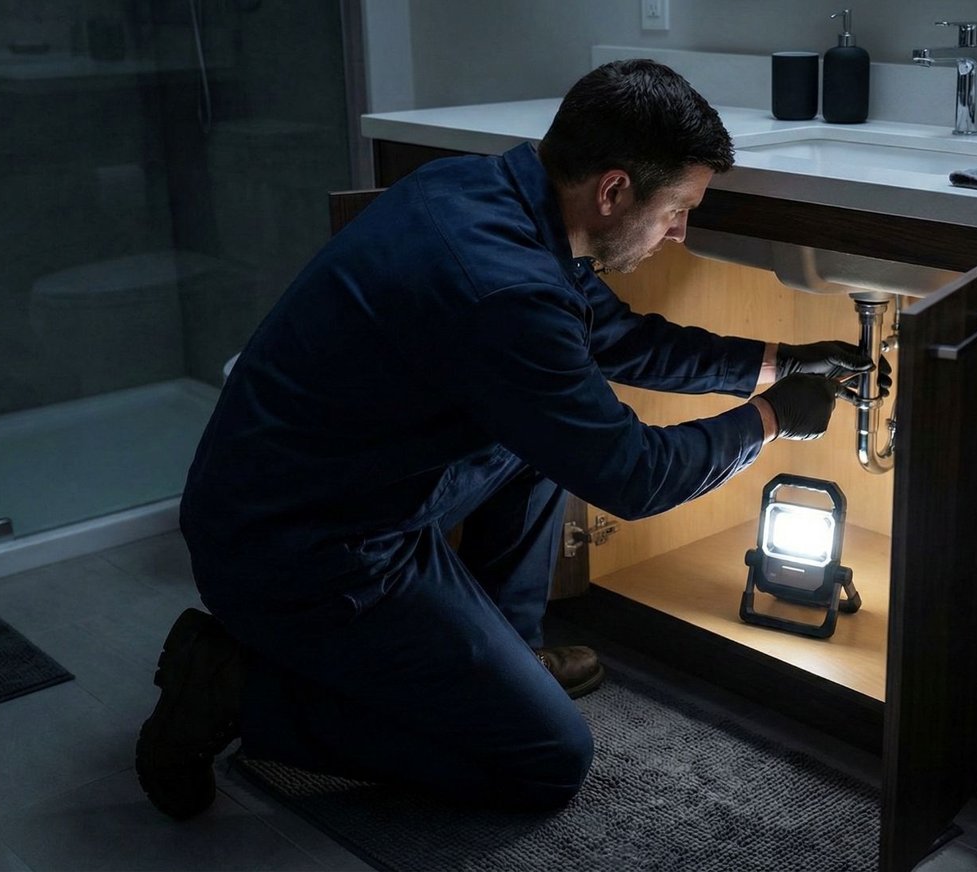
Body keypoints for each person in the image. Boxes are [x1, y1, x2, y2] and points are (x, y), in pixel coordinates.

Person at [135, 58, 887, 820]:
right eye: (676, 211)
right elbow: (634, 476)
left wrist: (779, 363)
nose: (680, 234)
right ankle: (234, 694)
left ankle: (505, 658)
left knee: (538, 430)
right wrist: (773, 418)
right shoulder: (506, 289)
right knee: (545, 761)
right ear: (614, 190)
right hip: (302, 552)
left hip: (324, 492)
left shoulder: (482, 190)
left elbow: (615, 336)